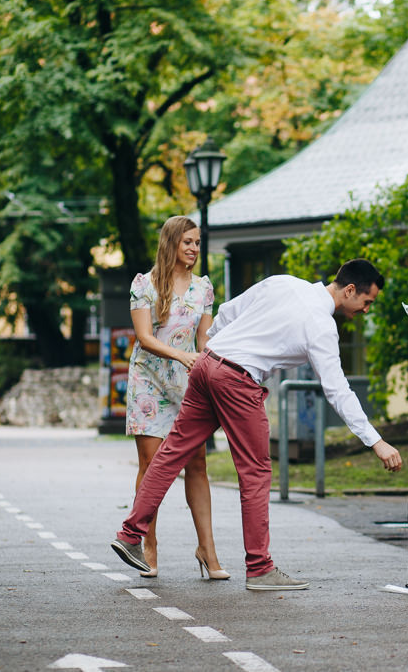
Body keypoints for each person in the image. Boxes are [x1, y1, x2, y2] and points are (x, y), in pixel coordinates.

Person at [111, 259, 403, 590]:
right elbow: (337, 390)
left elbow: (227, 312)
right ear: (350, 290)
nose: (366, 310)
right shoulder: (321, 325)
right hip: (238, 379)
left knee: (171, 453)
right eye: (367, 302)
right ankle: (260, 568)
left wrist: (219, 352)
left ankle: (130, 534)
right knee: (255, 472)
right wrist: (376, 441)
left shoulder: (284, 282)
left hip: (208, 363)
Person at [125, 215, 228, 580]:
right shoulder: (145, 285)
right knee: (152, 465)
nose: (194, 249)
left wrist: (214, 367)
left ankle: (208, 551)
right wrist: (182, 356)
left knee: (197, 464)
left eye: (198, 243)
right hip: (149, 382)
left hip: (188, 385)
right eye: (188, 242)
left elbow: (204, 341)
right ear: (171, 242)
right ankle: (148, 545)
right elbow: (144, 338)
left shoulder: (203, 289)